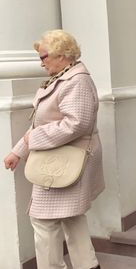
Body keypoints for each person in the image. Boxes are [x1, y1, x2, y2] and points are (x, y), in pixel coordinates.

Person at [3, 30, 104, 269]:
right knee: (71, 217)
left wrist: (31, 141)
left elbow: (77, 123)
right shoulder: (65, 77)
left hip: (67, 160)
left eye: (43, 57)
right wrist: (19, 151)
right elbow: (40, 123)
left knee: (43, 220)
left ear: (61, 55)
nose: (41, 63)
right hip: (62, 159)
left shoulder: (76, 81)